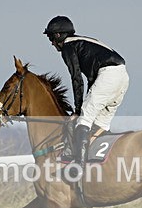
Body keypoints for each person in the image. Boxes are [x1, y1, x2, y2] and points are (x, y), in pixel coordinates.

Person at [43, 16, 129, 190]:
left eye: (51, 38)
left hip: (108, 75)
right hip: (122, 76)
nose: (52, 43)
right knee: (101, 125)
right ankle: (101, 168)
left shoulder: (68, 46)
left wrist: (77, 109)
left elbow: (76, 79)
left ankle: (77, 169)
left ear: (59, 35)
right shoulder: (83, 41)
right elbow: (91, 80)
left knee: (84, 120)